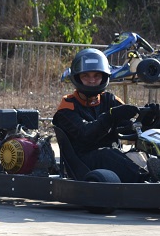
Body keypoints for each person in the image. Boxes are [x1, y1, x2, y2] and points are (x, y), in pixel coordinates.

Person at [52, 48, 160, 182]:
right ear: (77, 77)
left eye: (96, 76)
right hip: (82, 163)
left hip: (112, 157)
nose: (92, 80)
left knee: (136, 154)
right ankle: (148, 181)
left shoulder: (110, 99)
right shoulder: (67, 107)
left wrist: (149, 121)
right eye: (86, 76)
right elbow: (86, 135)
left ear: (104, 77)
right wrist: (110, 117)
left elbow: (129, 129)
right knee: (107, 154)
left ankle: (154, 175)